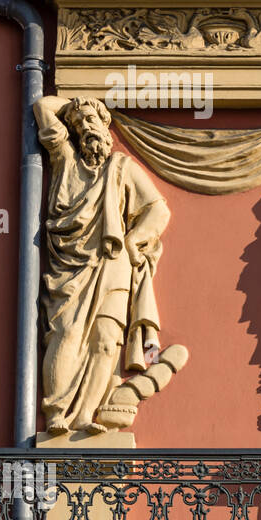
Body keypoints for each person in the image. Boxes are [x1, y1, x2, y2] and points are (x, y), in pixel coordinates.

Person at [34, 96, 172, 435]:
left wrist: (133, 239)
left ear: (107, 128)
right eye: (80, 125)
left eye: (93, 122)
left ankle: (84, 417)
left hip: (113, 262)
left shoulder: (121, 167)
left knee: (107, 340)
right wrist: (75, 106)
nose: (86, 129)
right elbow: (41, 107)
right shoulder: (64, 158)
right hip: (70, 267)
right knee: (66, 332)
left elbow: (158, 209)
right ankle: (56, 413)